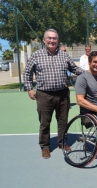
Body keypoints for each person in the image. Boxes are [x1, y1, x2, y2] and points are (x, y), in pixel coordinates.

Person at [23, 29, 84, 159]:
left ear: (58, 40)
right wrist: (29, 89)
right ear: (44, 40)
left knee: (63, 121)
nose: (52, 41)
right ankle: (45, 146)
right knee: (45, 122)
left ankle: (62, 142)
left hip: (63, 94)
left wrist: (89, 73)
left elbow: (74, 69)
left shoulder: (64, 55)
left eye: (54, 38)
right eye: (49, 38)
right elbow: (27, 73)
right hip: (44, 94)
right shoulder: (36, 55)